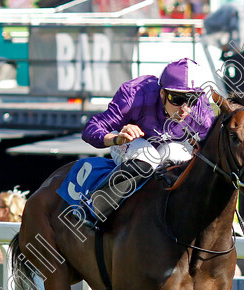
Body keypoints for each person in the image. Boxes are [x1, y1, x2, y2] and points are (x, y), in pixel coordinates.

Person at [80, 58, 215, 222]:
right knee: (147, 156)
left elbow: (213, 152)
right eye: (177, 100)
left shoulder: (202, 112)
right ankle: (93, 207)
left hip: (167, 148)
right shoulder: (135, 95)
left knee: (179, 155)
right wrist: (116, 139)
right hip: (130, 145)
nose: (185, 109)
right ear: (162, 93)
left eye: (192, 99)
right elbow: (90, 129)